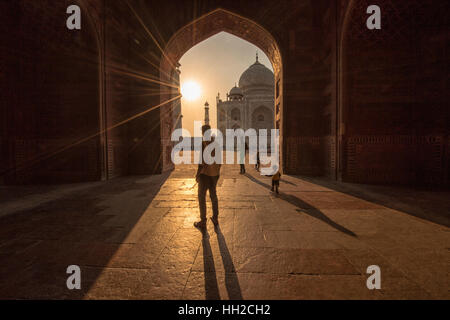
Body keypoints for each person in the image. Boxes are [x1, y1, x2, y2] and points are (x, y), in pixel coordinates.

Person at [194, 125, 221, 230]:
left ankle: (203, 221)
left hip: (205, 174)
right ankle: (215, 218)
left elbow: (201, 162)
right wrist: (216, 173)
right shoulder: (216, 144)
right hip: (214, 174)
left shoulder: (203, 143)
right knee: (213, 196)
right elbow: (219, 161)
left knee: (201, 197)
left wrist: (197, 174)